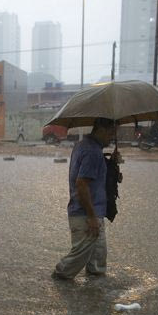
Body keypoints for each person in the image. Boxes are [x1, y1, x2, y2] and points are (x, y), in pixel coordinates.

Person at [52, 118, 118, 280]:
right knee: (74, 262)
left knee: (97, 262)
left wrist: (111, 164)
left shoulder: (84, 146)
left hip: (93, 212)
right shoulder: (92, 152)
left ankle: (93, 297)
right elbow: (81, 184)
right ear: (100, 130)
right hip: (86, 214)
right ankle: (57, 283)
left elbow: (93, 178)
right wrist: (91, 217)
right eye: (110, 134)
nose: (111, 138)